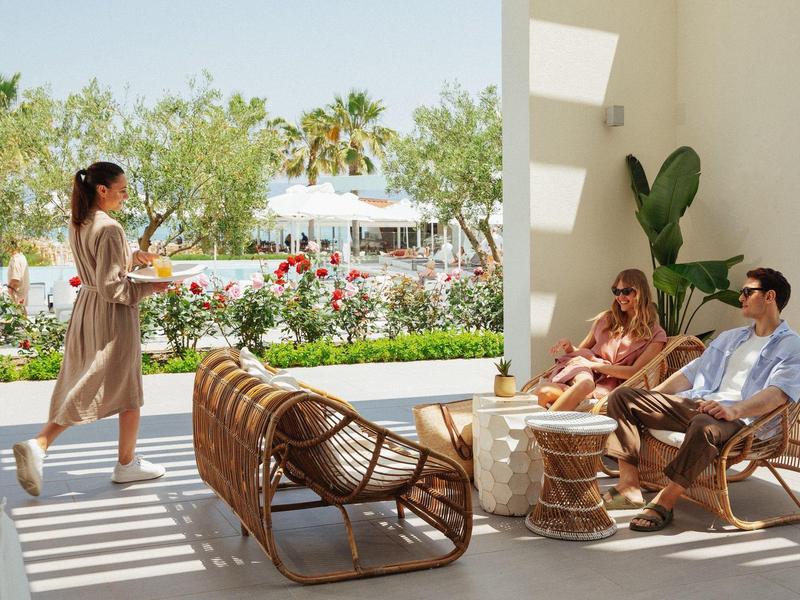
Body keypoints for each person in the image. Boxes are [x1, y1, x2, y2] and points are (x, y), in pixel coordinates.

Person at [12, 162, 170, 497]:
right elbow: (114, 288)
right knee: (102, 383)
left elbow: (98, 266)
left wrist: (133, 256)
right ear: (103, 190)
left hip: (87, 308)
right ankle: (41, 444)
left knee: (93, 379)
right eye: (122, 190)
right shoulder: (110, 227)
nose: (126, 196)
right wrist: (152, 287)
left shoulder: (78, 221)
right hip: (112, 315)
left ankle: (126, 463)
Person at [604, 267, 800, 532]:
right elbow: (691, 373)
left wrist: (734, 410)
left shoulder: (791, 346)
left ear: (770, 296)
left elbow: (778, 394)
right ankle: (629, 486)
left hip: (744, 421)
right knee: (623, 397)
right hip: (700, 405)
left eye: (747, 292)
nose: (740, 297)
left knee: (704, 425)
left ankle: (666, 499)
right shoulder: (732, 338)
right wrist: (651, 398)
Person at [530, 268, 667, 411]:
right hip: (583, 373)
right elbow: (583, 351)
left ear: (640, 292)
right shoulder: (606, 319)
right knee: (581, 384)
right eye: (616, 291)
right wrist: (570, 347)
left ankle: (542, 431)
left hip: (606, 383)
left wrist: (593, 365)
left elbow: (634, 372)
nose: (620, 297)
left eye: (626, 291)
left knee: (544, 392)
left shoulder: (656, 335)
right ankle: (545, 430)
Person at [4, 238, 29, 307]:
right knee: (22, 312)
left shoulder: (15, 259)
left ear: (10, 247)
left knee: (18, 313)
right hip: (22, 291)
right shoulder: (22, 257)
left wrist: (8, 288)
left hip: (17, 293)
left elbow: (16, 279)